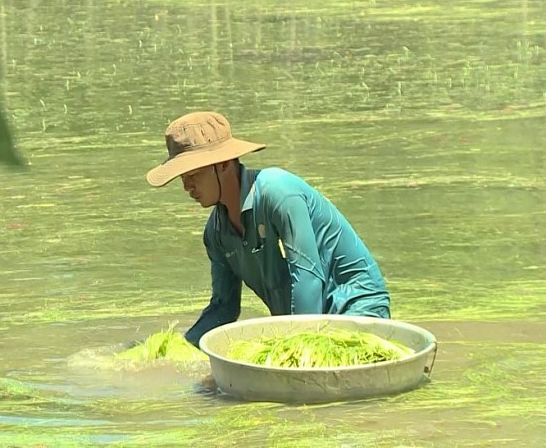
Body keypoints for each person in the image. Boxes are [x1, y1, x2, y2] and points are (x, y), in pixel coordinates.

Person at [146, 111, 391, 348]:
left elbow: (308, 278)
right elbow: (224, 308)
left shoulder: (278, 192)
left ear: (222, 165)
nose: (187, 186)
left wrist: (296, 349)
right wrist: (180, 347)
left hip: (357, 312)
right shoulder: (216, 233)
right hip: (301, 328)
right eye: (182, 177)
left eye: (193, 174)